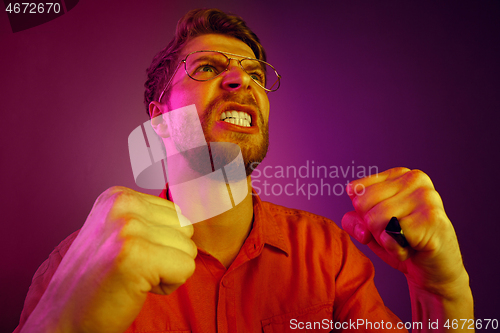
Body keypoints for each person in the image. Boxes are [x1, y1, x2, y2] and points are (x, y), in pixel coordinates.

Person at [15, 8, 473, 333]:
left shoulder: (328, 254)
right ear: (160, 120)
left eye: (254, 74)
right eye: (209, 67)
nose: (241, 81)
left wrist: (444, 290)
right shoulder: (74, 267)